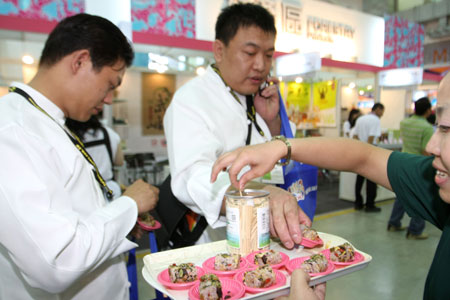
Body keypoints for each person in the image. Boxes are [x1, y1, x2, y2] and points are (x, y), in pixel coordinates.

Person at [211, 72, 450, 299]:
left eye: (447, 128)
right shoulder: (434, 180)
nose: (431, 145)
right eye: (437, 126)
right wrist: (281, 146)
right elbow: (363, 157)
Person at [0, 14, 159, 299]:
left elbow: (69, 205)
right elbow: (56, 263)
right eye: (111, 83)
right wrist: (127, 206)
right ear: (80, 61)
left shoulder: (48, 121)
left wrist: (113, 197)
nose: (110, 99)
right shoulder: (10, 130)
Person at [163, 3, 309, 249]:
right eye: (250, 53)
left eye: (269, 55)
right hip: (214, 238)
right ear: (219, 50)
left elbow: (282, 157)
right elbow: (192, 176)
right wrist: (257, 196)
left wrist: (273, 122)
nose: (261, 65)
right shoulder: (191, 99)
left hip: (267, 230)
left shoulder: (259, 96)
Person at [387, 97, 433, 240]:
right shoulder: (427, 127)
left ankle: (394, 223)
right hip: (419, 166)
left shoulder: (404, 122)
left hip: (403, 162)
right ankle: (415, 230)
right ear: (427, 110)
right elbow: (426, 150)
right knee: (420, 198)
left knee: (401, 195)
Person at [66, 114, 125, 199]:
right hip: (110, 189)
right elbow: (119, 161)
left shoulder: (69, 137)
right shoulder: (109, 133)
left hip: (84, 192)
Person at [352, 103, 385, 212]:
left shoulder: (361, 119)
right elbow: (371, 137)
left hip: (359, 150)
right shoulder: (375, 120)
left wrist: (360, 148)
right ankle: (370, 205)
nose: (382, 114)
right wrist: (368, 151)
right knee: (371, 179)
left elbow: (355, 135)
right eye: (382, 111)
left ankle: (358, 203)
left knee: (359, 178)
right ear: (378, 109)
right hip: (369, 150)